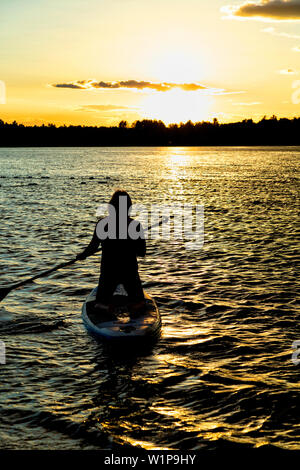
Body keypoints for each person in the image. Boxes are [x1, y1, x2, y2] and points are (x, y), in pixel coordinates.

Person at [76, 190, 146, 313]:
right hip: (129, 271)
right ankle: (132, 306)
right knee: (140, 302)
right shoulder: (135, 225)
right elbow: (142, 252)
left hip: (109, 272)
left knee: (98, 303)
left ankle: (105, 307)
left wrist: (82, 255)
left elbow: (92, 247)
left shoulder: (102, 224)